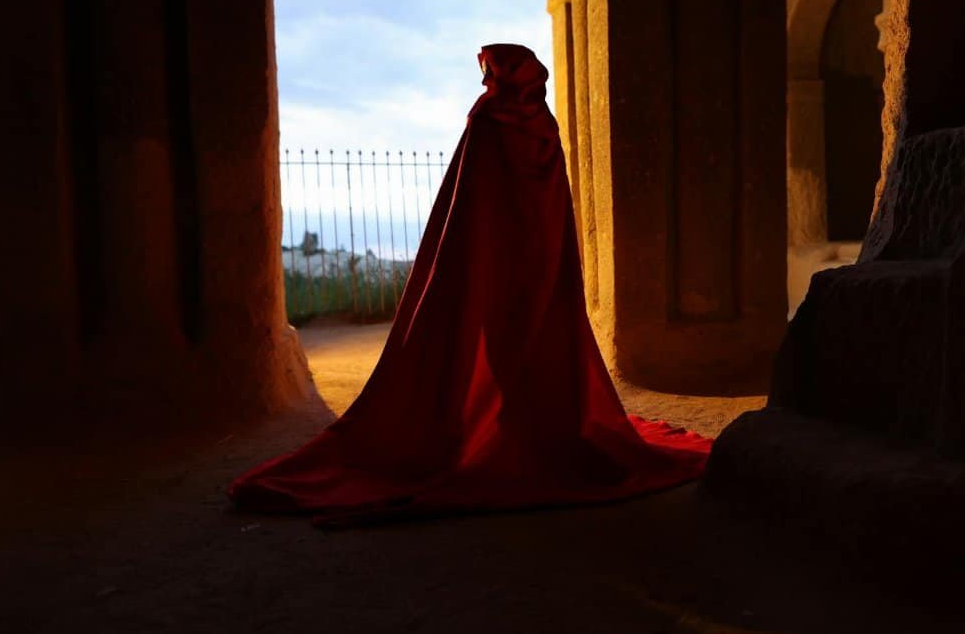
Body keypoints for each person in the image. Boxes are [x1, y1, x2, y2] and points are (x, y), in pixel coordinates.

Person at [228, 43, 712, 528]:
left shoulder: (487, 120)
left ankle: (504, 427)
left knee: (497, 342)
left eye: (489, 73)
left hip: (492, 255)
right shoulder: (544, 126)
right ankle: (529, 424)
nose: (485, 81)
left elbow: (468, 204)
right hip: (539, 256)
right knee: (535, 338)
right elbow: (536, 201)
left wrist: (466, 261)